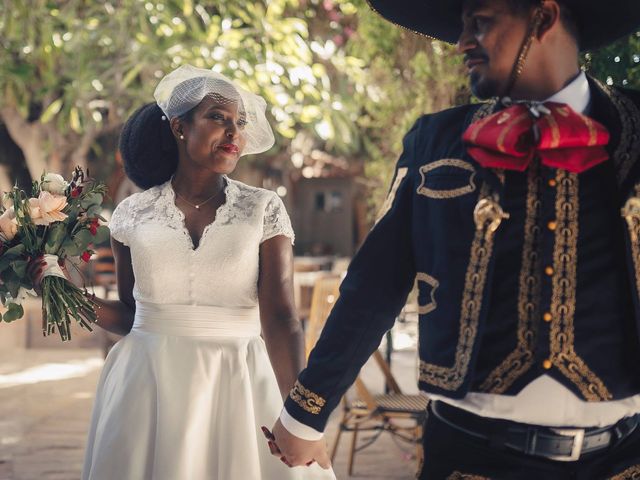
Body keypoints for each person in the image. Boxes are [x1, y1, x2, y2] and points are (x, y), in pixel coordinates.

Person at [270, 1, 640, 478]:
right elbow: (375, 286)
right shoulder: (434, 140)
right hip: (469, 461)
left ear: (544, 18)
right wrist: (305, 412)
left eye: (480, 22)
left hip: (621, 462)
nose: (463, 41)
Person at [80, 64, 335, 479]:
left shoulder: (262, 208)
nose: (233, 132)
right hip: (148, 382)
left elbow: (282, 317)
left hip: (240, 378)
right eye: (218, 117)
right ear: (179, 127)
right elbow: (130, 314)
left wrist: (300, 415)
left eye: (240, 122)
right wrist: (65, 295)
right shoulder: (131, 214)